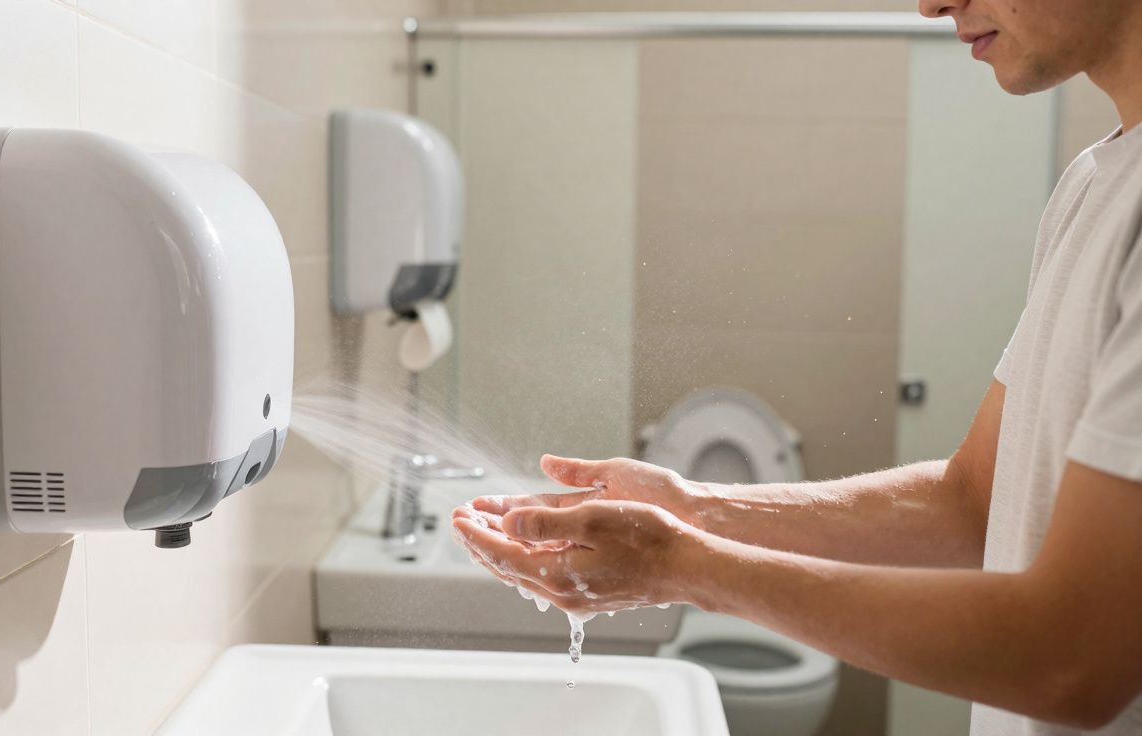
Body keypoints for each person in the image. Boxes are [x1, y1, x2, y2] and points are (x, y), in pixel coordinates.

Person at [450, 0, 1142, 732]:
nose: (933, 3)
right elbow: (975, 496)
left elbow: (1071, 656)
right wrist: (690, 508)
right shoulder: (1095, 184)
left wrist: (679, 564)